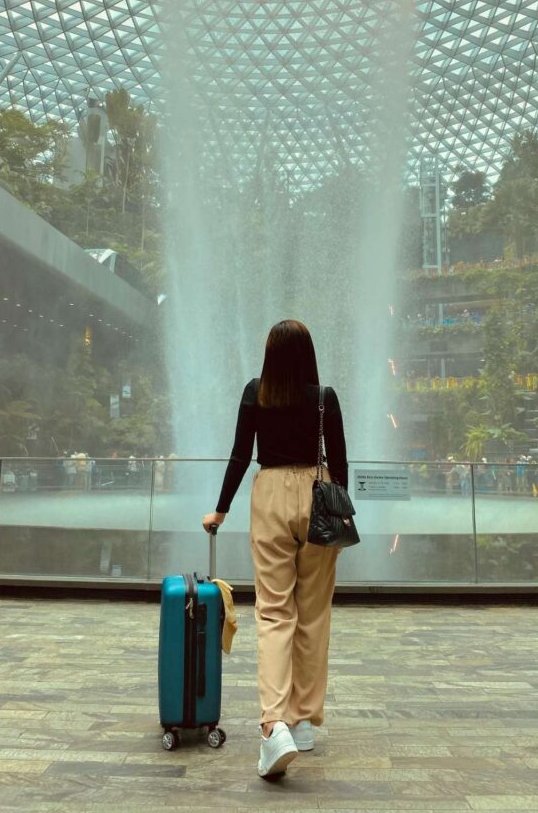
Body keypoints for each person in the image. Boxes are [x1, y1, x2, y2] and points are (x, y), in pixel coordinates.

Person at [202, 319, 348, 778]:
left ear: (270, 354)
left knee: (274, 611)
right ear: (308, 353)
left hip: (268, 497)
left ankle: (274, 725)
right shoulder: (324, 397)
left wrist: (220, 511)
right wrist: (333, 508)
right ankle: (303, 721)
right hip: (317, 496)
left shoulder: (255, 392)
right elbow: (340, 462)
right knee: (313, 612)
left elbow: (240, 454)